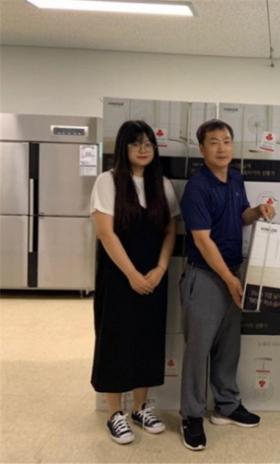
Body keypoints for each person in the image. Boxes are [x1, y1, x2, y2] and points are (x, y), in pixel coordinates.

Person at [179, 119, 275, 451]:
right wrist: (231, 279)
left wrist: (257, 211)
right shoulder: (197, 188)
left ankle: (227, 405)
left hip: (233, 272)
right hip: (206, 276)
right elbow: (202, 241)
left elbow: (240, 216)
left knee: (229, 347)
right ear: (202, 148)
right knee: (198, 350)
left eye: (227, 141)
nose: (222, 148)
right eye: (214, 142)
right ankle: (191, 415)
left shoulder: (235, 178)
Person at [90, 120, 179, 444]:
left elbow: (170, 231)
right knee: (115, 338)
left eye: (148, 143)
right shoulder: (108, 181)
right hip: (118, 276)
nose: (143, 149)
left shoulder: (162, 184)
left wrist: (160, 268)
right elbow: (105, 233)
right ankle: (115, 413)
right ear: (123, 147)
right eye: (135, 143)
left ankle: (141, 407)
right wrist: (131, 274)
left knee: (147, 338)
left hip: (153, 276)